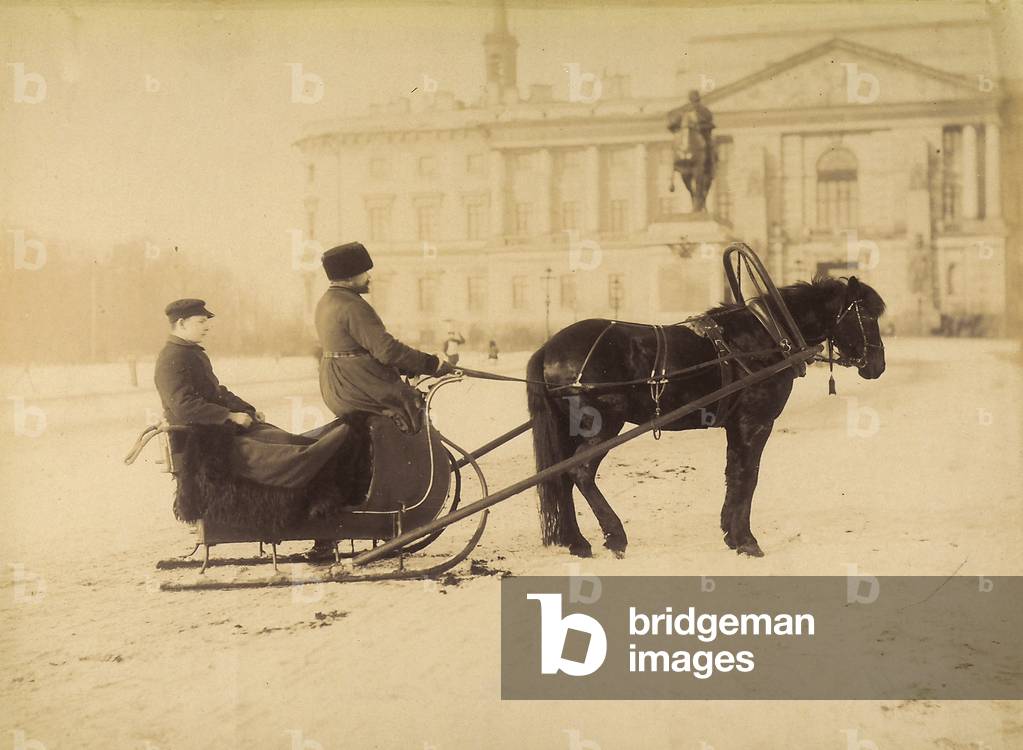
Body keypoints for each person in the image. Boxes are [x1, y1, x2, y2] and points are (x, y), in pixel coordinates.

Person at [154, 298, 350, 488]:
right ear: (181, 324)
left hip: (214, 428)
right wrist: (230, 416)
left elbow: (216, 392)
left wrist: (246, 410)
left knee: (283, 440)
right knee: (284, 454)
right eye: (201, 322)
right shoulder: (172, 358)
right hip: (198, 438)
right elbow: (185, 407)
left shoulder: (189, 352)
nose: (207, 327)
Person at [315, 242, 455, 434]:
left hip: (336, 385)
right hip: (357, 385)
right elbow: (387, 350)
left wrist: (408, 366)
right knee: (410, 404)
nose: (369, 277)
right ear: (349, 277)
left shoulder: (327, 301)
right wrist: (431, 364)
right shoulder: (353, 305)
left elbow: (357, 349)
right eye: (364, 272)